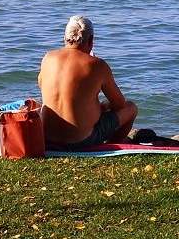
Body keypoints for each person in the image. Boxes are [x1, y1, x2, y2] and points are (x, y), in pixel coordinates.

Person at [38, 15, 137, 150]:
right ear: (91, 40)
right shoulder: (97, 65)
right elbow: (120, 104)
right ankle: (110, 146)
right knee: (131, 108)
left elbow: (42, 85)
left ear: (65, 38)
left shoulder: (48, 58)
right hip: (80, 141)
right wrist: (104, 105)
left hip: (47, 137)